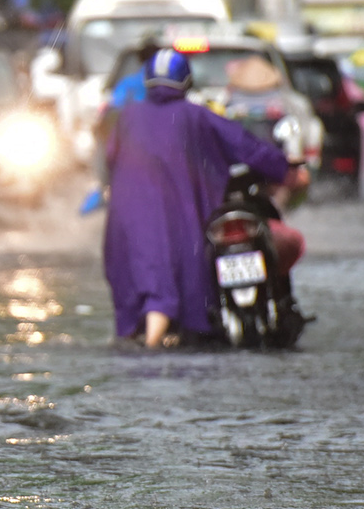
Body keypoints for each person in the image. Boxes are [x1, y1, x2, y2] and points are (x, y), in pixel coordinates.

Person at [104, 48, 305, 347]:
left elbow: (109, 160)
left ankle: (147, 334)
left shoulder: (128, 117)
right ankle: (155, 339)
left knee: (142, 272)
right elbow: (246, 146)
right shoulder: (197, 115)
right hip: (175, 211)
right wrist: (285, 169)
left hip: (128, 215)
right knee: (169, 273)